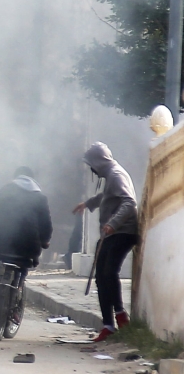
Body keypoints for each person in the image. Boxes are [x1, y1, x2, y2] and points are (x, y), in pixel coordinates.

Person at [72, 142, 139, 342]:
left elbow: (129, 202)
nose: (91, 169)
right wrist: (89, 203)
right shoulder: (110, 176)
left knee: (109, 273)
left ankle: (120, 316)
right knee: (101, 276)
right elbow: (106, 196)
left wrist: (113, 223)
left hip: (123, 232)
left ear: (98, 162)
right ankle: (108, 325)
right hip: (112, 233)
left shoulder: (116, 175)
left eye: (92, 164)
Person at [0, 166, 53, 314]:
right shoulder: (40, 197)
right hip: (28, 245)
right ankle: (16, 297)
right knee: (22, 269)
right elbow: (45, 224)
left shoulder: (4, 191)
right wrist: (44, 240)